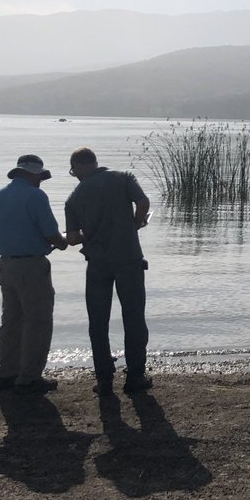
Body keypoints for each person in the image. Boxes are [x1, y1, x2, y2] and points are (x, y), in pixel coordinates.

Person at [64, 147, 152, 396]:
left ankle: (104, 380)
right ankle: (135, 376)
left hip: (97, 263)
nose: (75, 176)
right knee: (134, 318)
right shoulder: (123, 177)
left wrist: (88, 233)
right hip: (129, 260)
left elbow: (71, 239)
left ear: (79, 166)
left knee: (98, 323)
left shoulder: (73, 198)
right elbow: (143, 202)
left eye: (74, 172)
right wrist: (136, 222)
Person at [0, 154, 69, 395]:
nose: (41, 181)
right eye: (40, 177)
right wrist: (65, 241)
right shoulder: (36, 196)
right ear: (32, 175)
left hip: (5, 265)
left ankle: (7, 374)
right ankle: (30, 377)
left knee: (11, 320)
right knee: (38, 321)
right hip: (31, 266)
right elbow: (53, 235)